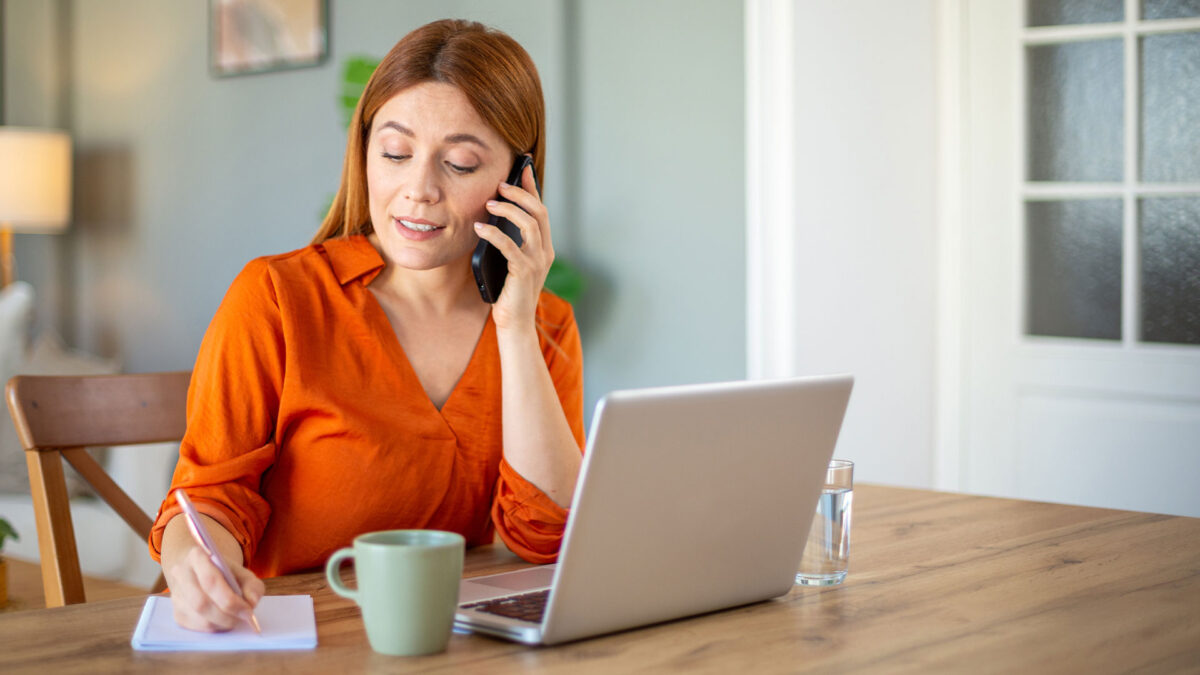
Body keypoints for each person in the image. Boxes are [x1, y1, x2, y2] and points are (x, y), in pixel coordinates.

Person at [149, 19, 584, 632]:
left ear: (519, 180)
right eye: (396, 153)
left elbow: (547, 538)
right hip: (293, 641)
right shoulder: (276, 297)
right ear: (364, 153)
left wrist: (513, 327)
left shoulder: (543, 324)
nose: (418, 189)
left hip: (444, 643)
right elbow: (210, 500)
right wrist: (199, 567)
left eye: (460, 163)